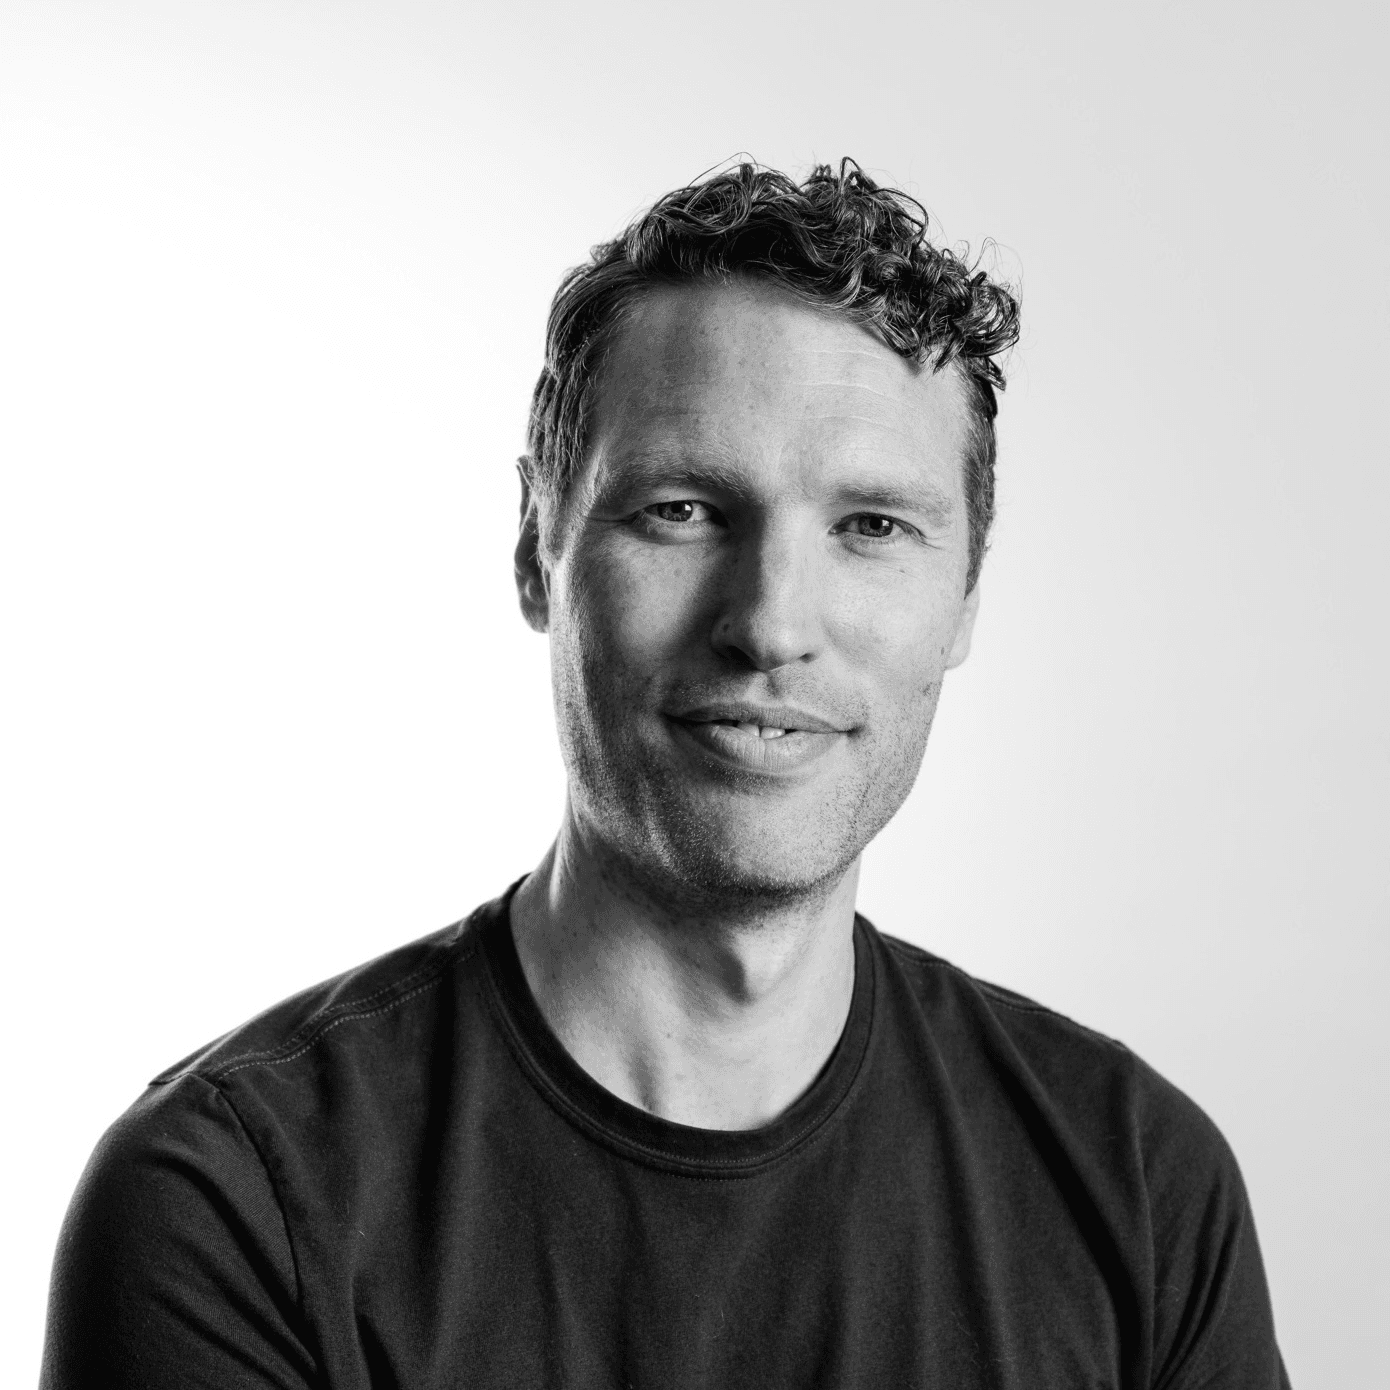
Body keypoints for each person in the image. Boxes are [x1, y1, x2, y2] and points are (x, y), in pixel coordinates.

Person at [40, 160, 1290, 1389]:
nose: (770, 624)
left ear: (965, 595)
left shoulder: (1137, 1185)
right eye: (683, 510)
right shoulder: (237, 1205)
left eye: (872, 526)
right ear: (536, 546)